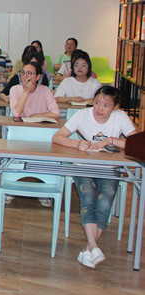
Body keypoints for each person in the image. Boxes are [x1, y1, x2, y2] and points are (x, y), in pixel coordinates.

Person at [53, 86, 137, 268]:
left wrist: (111, 140)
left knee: (105, 202)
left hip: (109, 168)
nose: (100, 109)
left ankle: (89, 249)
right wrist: (76, 144)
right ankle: (94, 247)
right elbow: (57, 137)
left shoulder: (120, 117)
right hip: (83, 167)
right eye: (97, 103)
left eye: (106, 105)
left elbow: (137, 143)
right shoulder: (82, 115)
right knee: (88, 197)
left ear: (115, 107)